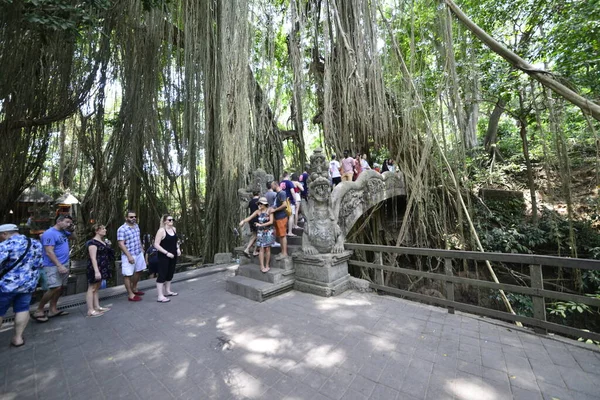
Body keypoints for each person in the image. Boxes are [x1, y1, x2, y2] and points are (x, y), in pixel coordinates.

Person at [0, 224, 43, 347]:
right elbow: (39, 264)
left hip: (7, 285)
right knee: (22, 309)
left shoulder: (6, 245)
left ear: (4, 234)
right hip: (28, 284)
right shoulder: (35, 243)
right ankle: (18, 338)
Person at [32, 214, 74, 321]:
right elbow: (49, 251)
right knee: (54, 287)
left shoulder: (63, 232)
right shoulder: (49, 233)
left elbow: (74, 238)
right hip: (52, 265)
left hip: (64, 263)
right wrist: (58, 265)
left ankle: (53, 309)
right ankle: (39, 310)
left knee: (61, 287)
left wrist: (72, 229)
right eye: (67, 222)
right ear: (59, 221)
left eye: (70, 222)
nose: (68, 224)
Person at [85, 224, 114, 317]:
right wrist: (96, 271)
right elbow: (93, 258)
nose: (105, 230)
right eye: (103, 229)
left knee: (97, 288)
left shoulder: (103, 242)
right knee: (92, 288)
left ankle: (97, 306)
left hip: (103, 266)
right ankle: (90, 310)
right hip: (95, 267)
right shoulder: (92, 243)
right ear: (97, 231)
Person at [117, 211, 146, 302]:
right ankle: (130, 294)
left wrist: (141, 248)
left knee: (139, 270)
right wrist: (129, 256)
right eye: (131, 217)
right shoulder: (122, 229)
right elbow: (121, 244)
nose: (133, 218)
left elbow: (138, 238)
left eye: (135, 217)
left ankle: (134, 288)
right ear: (126, 218)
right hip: (128, 255)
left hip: (138, 252)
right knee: (128, 275)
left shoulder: (136, 226)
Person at [239, 197, 274, 272]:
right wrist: (243, 221)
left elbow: (271, 222)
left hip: (268, 232)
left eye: (261, 203)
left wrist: (261, 225)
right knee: (261, 248)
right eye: (259, 203)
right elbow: (250, 217)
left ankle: (267, 265)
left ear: (265, 204)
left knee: (267, 249)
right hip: (261, 232)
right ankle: (262, 266)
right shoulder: (258, 211)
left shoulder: (270, 210)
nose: (259, 205)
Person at [153, 214, 181, 303]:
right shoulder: (161, 231)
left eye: (172, 219)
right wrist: (166, 253)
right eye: (169, 220)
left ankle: (168, 291)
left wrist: (178, 249)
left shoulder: (174, 229)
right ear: (165, 221)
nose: (171, 221)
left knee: (170, 273)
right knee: (162, 274)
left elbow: (176, 241)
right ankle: (160, 295)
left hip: (173, 255)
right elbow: (156, 244)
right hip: (164, 256)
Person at [270, 180, 289, 259]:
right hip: (278, 217)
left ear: (275, 185)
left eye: (272, 185)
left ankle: (284, 253)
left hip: (282, 216)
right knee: (280, 236)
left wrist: (275, 210)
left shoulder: (282, 193)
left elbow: (284, 205)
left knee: (283, 235)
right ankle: (282, 252)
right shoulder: (278, 194)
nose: (271, 187)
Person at [280, 172, 298, 236]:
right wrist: (295, 201)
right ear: (288, 176)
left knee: (285, 216)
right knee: (291, 216)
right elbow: (293, 192)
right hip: (289, 201)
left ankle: (285, 231)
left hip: (282, 202)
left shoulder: (280, 183)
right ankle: (289, 232)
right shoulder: (289, 182)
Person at [243, 191, 260, 258]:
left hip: (251, 219)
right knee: (258, 235)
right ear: (259, 194)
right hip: (257, 219)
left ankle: (247, 249)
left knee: (254, 235)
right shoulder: (259, 201)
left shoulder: (250, 202)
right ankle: (254, 250)